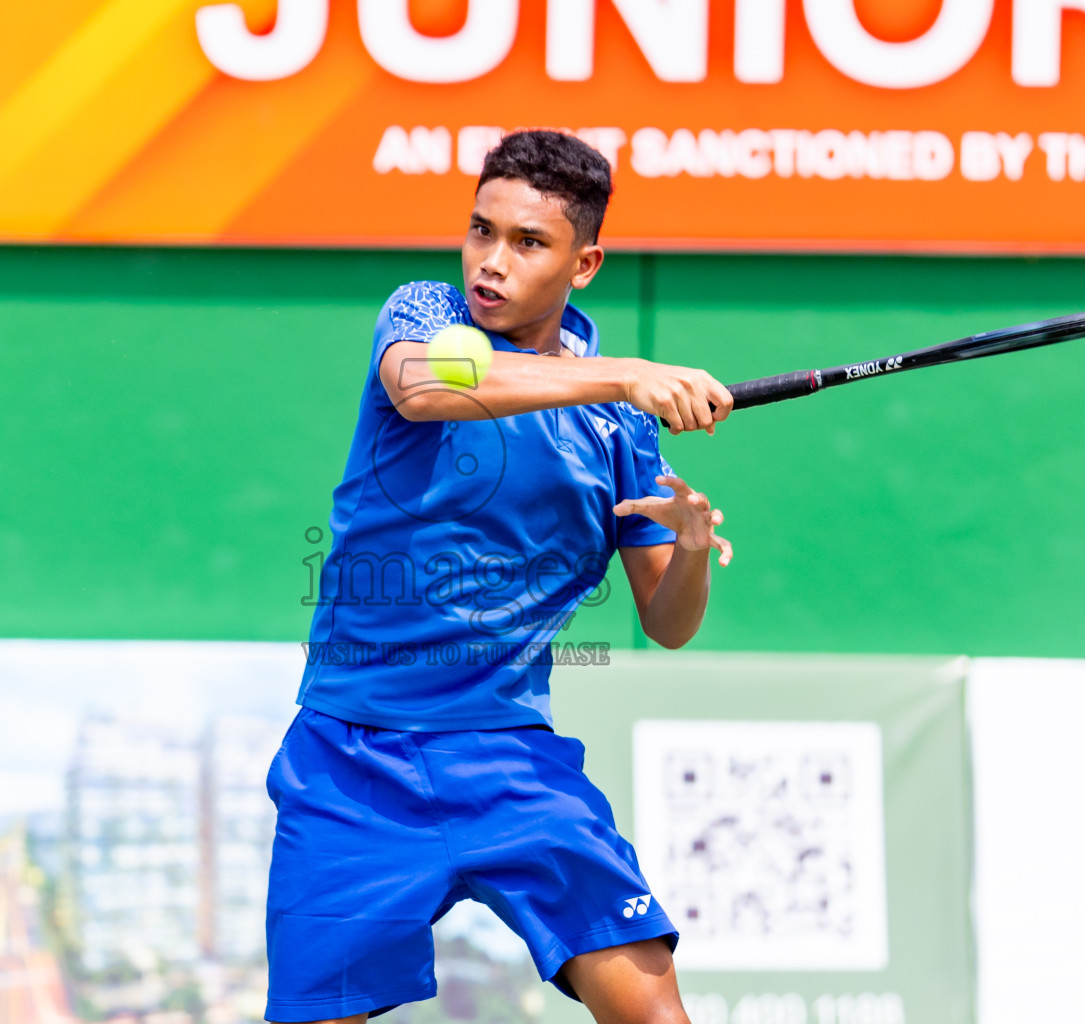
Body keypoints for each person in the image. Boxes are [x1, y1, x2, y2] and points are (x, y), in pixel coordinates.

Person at [267, 129, 734, 1024]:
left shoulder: (621, 432)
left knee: (651, 1006)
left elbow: (668, 621)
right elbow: (428, 388)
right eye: (482, 231)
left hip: (512, 761)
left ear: (585, 263)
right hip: (352, 761)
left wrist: (686, 545)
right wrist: (626, 374)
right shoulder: (420, 317)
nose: (491, 262)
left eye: (528, 244)